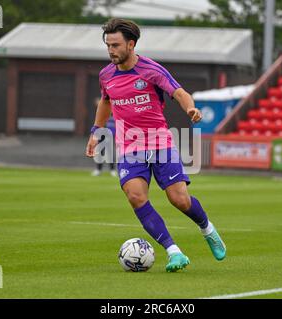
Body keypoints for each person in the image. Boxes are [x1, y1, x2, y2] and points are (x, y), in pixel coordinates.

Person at [86, 18, 226, 272]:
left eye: (116, 45)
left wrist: (191, 108)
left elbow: (180, 93)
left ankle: (207, 229)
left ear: (131, 44)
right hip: (129, 147)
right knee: (136, 196)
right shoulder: (106, 75)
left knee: (179, 200)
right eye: (108, 45)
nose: (111, 51)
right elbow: (106, 101)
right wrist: (97, 130)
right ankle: (174, 253)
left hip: (159, 143)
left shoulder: (152, 70)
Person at [91, 98, 117, 177]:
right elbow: (98, 102)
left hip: (110, 133)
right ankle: (98, 169)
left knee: (109, 152)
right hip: (102, 132)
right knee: (100, 151)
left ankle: (112, 170)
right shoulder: (104, 111)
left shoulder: (114, 111)